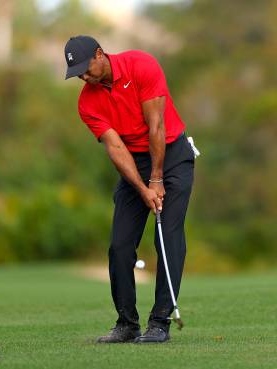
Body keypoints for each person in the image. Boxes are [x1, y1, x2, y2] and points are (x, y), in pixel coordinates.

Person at [64, 35, 195, 344]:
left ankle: (160, 322)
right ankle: (127, 324)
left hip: (171, 157)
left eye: (86, 68)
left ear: (100, 54)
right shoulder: (87, 102)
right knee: (120, 245)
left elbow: (157, 127)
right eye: (77, 73)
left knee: (167, 237)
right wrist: (141, 186)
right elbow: (116, 148)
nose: (83, 76)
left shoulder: (141, 65)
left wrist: (158, 178)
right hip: (134, 165)